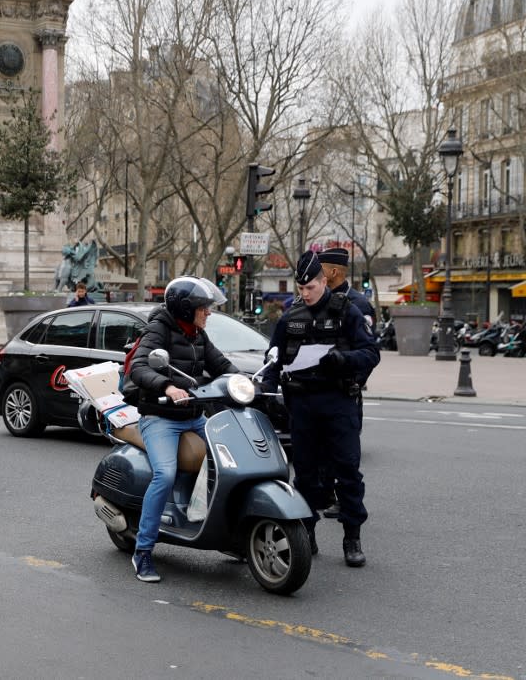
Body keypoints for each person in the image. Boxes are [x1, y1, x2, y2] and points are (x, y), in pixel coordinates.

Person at [263, 251, 380, 567]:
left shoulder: (348, 312)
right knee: (306, 476)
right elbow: (273, 358)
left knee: (347, 472)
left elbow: (371, 353)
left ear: (323, 280)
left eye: (310, 287)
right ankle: (307, 532)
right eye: (300, 289)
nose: (305, 294)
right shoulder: (291, 317)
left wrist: (344, 361)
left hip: (338, 402)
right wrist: (265, 390)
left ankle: (352, 537)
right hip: (302, 406)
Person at [125, 276, 237, 582]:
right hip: (160, 417)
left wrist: (245, 381)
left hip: (195, 415)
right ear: (187, 310)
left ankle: (225, 532)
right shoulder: (159, 329)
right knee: (165, 474)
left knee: (229, 463)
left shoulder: (198, 334)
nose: (209, 313)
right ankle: (143, 551)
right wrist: (167, 385)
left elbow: (220, 365)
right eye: (204, 308)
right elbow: (139, 367)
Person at [314, 247, 378, 518]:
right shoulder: (316, 300)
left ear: (335, 272)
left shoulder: (358, 304)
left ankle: (344, 501)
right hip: (319, 392)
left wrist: (353, 382)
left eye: (321, 270)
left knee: (345, 455)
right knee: (320, 453)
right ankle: (326, 494)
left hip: (344, 391)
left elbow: (368, 353)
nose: (318, 275)